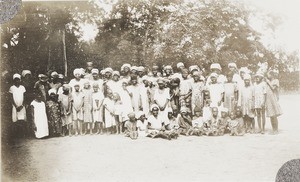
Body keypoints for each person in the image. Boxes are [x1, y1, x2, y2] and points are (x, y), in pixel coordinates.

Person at [9, 73, 27, 138]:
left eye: (18, 79)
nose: (17, 81)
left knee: (22, 120)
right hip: (15, 106)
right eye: (15, 80)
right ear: (14, 80)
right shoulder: (12, 88)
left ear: (20, 80)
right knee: (15, 120)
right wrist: (16, 106)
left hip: (21, 106)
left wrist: (22, 105)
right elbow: (11, 98)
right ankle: (16, 135)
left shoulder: (22, 87)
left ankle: (22, 134)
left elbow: (24, 97)